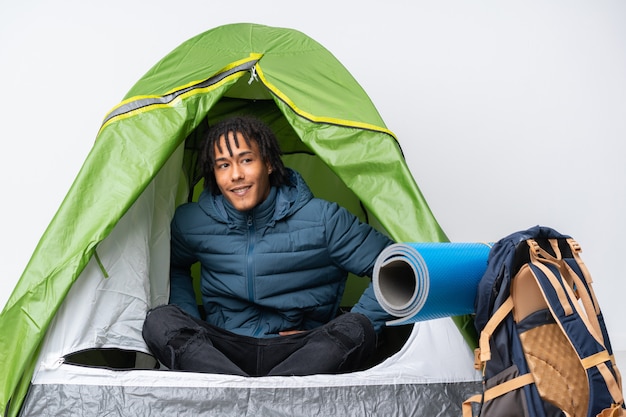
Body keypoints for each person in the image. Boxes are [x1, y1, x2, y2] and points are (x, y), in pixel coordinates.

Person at [142, 115, 394, 376]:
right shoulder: (191, 221)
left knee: (357, 328)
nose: (236, 175)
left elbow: (396, 267)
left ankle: (248, 396)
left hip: (301, 349)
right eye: (223, 165)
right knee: (159, 321)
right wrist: (191, 318)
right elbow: (172, 264)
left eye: (246, 160)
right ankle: (249, 392)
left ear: (269, 164)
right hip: (222, 349)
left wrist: (323, 333)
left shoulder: (324, 219)